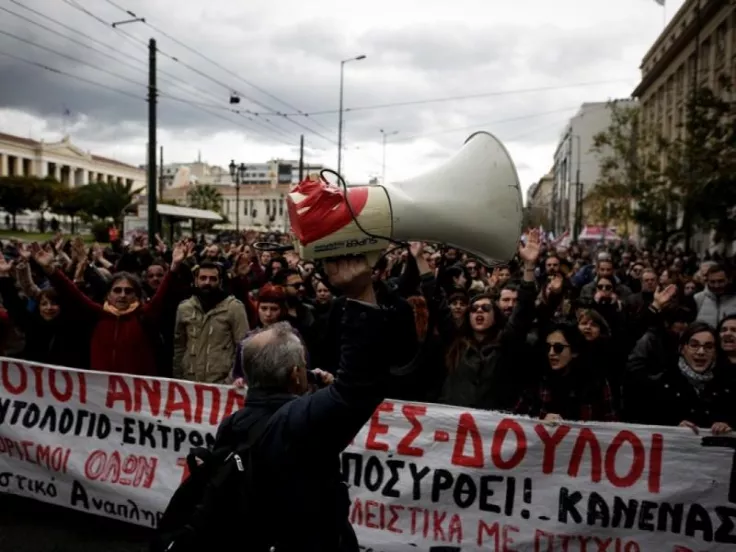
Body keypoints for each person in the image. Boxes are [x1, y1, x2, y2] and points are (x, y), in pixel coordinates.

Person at [214, 255, 390, 552]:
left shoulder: (233, 424)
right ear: (297, 374)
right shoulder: (297, 422)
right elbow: (358, 386)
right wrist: (360, 294)